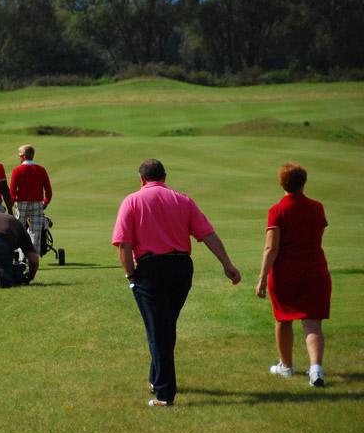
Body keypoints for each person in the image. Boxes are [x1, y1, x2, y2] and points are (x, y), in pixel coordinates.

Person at [112, 159, 241, 407]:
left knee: (159, 328)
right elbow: (207, 234)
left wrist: (130, 276)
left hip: (151, 269)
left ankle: (164, 394)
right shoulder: (183, 200)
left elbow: (124, 244)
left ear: (141, 179)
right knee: (164, 325)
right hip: (182, 267)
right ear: (164, 176)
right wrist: (227, 263)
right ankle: (156, 378)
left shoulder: (132, 201)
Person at [255, 163, 331, 387]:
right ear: (303, 182)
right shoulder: (317, 207)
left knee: (283, 319)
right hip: (316, 271)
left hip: (286, 273)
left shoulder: (277, 210)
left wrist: (261, 280)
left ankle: (286, 366)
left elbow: (271, 249)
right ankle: (316, 370)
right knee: (313, 324)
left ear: (281, 183)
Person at [9, 144, 52, 255]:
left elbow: (12, 191)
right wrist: (46, 202)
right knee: (35, 234)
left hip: (22, 204)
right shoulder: (41, 170)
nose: (19, 158)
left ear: (23, 156)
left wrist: (11, 204)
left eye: (20, 155)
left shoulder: (17, 170)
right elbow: (48, 190)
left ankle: (21, 258)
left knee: (19, 231)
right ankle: (33, 260)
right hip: (37, 204)